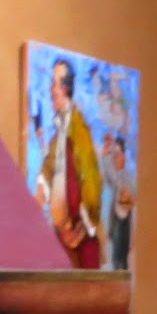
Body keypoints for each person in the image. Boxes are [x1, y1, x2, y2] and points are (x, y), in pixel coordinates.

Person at [35, 58, 103, 269]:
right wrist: (41, 190)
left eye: (54, 84)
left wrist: (79, 232)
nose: (50, 90)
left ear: (64, 89)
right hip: (62, 238)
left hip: (77, 243)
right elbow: (49, 168)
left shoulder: (78, 130)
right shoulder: (59, 133)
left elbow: (91, 180)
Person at [101, 134, 136, 271]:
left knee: (122, 257)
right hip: (118, 217)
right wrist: (106, 157)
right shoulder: (119, 173)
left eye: (118, 155)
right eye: (114, 155)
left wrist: (106, 159)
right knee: (117, 258)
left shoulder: (126, 174)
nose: (116, 158)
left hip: (124, 217)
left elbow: (123, 187)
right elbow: (110, 179)